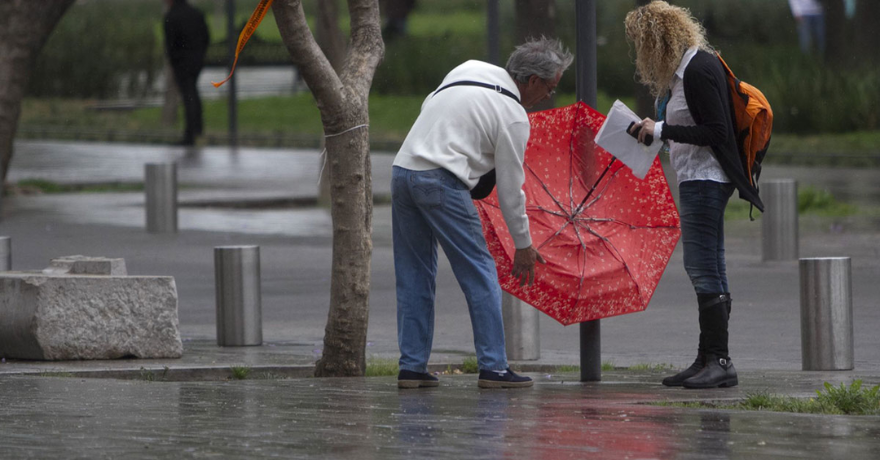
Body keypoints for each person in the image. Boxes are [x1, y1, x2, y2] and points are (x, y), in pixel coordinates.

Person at [392, 38, 573, 389]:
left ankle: (412, 367)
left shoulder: (468, 69)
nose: (548, 96)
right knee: (480, 271)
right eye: (550, 88)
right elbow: (510, 190)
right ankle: (494, 367)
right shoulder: (514, 115)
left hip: (403, 171)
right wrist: (523, 244)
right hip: (441, 179)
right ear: (533, 81)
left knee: (414, 274)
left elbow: (433, 105)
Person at [624, 1, 763, 389]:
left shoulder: (699, 70)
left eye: (643, 44)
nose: (641, 54)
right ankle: (708, 358)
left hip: (707, 178)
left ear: (660, 41)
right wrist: (653, 133)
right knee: (707, 266)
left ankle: (719, 360)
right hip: (695, 177)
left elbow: (716, 132)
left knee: (702, 266)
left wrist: (663, 129)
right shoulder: (683, 74)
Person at [163, 0, 209, 146]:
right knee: (193, 93)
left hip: (182, 62)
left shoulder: (171, 16)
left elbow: (170, 43)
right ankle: (198, 129)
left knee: (188, 95)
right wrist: (200, 54)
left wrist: (174, 60)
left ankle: (190, 134)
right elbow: (206, 36)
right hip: (197, 60)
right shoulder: (196, 13)